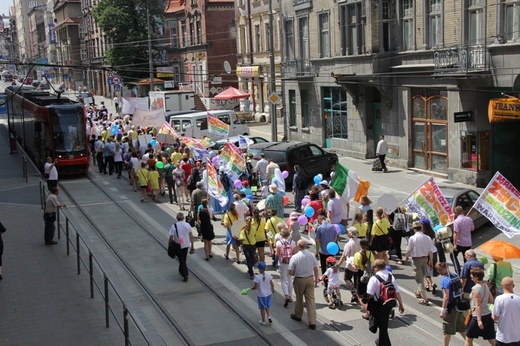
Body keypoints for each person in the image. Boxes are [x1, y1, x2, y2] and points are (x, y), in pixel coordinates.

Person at [363, 259, 405, 346]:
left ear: (377, 268)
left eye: (374, 266)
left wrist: (367, 305)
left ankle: (384, 343)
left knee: (382, 326)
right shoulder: (391, 276)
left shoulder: (374, 279)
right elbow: (397, 292)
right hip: (388, 304)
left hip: (377, 305)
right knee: (383, 324)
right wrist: (401, 305)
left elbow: (370, 294)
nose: (373, 268)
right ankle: (381, 341)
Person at [288, 239, 320, 330]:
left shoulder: (294, 257)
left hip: (299, 279)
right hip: (310, 279)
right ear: (305, 246)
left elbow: (290, 272)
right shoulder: (311, 255)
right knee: (310, 300)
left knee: (299, 298)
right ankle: (312, 322)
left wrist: (295, 273)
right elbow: (316, 268)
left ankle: (298, 315)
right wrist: (316, 278)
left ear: (298, 246)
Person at [437, 261, 467, 346]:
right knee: (461, 328)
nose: (439, 272)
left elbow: (446, 296)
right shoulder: (455, 276)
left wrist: (442, 310)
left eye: (440, 270)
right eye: (438, 270)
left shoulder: (445, 280)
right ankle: (469, 343)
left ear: (445, 268)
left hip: (451, 308)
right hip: (458, 305)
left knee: (447, 329)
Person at [405, 220, 435, 305]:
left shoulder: (412, 238)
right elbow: (430, 251)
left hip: (416, 259)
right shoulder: (427, 237)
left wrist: (406, 257)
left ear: (414, 229)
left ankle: (425, 299)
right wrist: (431, 261)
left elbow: (408, 250)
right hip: (425, 258)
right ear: (421, 228)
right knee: (423, 275)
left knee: (419, 279)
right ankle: (418, 291)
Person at [465, 267, 495, 346]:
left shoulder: (475, 289)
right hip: (488, 315)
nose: (471, 278)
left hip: (477, 316)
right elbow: (491, 300)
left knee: (468, 338)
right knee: (492, 339)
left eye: (472, 276)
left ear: (476, 277)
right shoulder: (485, 286)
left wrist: (479, 320)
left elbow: (477, 305)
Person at [492, 277, 520, 346]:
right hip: (516, 336)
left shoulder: (499, 299)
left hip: (503, 337)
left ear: (501, 285)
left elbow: (495, 317)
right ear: (513, 286)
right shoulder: (518, 299)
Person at [336, 227, 362, 303]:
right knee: (357, 279)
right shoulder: (360, 241)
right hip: (359, 264)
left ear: (350, 234)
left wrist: (338, 265)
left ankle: (354, 292)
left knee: (347, 278)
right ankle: (358, 294)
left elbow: (344, 256)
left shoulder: (349, 244)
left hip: (350, 264)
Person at [168, 212, 195, 282]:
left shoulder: (174, 226)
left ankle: (185, 274)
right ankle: (181, 270)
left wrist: (169, 245)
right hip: (186, 245)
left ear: (177, 218)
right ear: (183, 218)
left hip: (178, 245)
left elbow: (171, 237)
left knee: (181, 259)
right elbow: (191, 236)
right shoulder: (187, 225)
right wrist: (192, 245)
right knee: (183, 258)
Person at [353, 239, 376, 318]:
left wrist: (352, 265)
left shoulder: (357, 254)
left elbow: (356, 267)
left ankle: (368, 311)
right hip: (370, 275)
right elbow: (373, 264)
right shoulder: (370, 254)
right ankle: (370, 309)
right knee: (369, 294)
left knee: (360, 295)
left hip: (360, 275)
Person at [275, 229, 296, 306]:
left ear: (282, 235)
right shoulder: (293, 242)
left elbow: (277, 254)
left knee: (283, 280)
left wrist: (275, 251)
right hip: (291, 263)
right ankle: (290, 295)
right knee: (290, 279)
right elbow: (295, 253)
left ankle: (286, 295)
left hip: (282, 263)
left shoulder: (279, 242)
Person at [452, 205, 475, 273]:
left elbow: (456, 233)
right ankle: (466, 272)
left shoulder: (457, 221)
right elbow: (472, 228)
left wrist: (455, 244)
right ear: (462, 211)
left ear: (456, 213)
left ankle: (458, 270)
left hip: (460, 243)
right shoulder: (469, 219)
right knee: (467, 258)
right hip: (468, 243)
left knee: (453, 256)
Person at [315, 215, 338, 279]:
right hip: (331, 250)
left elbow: (317, 239)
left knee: (323, 266)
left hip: (323, 250)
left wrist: (321, 244)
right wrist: (333, 243)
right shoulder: (332, 226)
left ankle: (325, 280)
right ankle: (332, 277)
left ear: (319, 220)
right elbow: (336, 237)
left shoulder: (320, 228)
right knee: (331, 265)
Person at [250, 262, 274, 326]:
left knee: (262, 308)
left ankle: (263, 320)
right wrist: (273, 289)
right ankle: (269, 316)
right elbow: (271, 283)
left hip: (261, 295)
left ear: (259, 269)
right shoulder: (268, 275)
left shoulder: (257, 277)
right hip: (268, 293)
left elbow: (256, 287)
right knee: (267, 306)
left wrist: (252, 288)